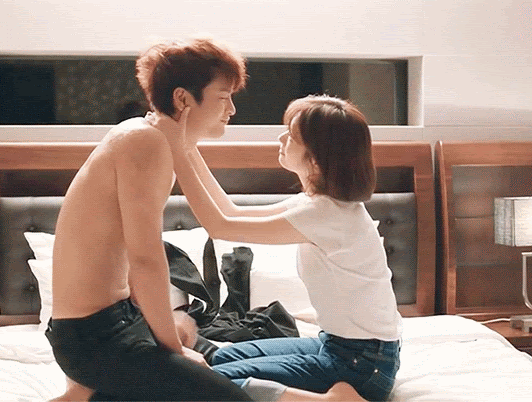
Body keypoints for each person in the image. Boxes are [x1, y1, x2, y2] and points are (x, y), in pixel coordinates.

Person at [47, 37, 364, 402]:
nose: (231, 109)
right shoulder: (144, 143)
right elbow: (145, 259)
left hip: (116, 323)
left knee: (204, 369)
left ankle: (88, 394)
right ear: (183, 99)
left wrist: (163, 338)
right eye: (223, 96)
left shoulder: (151, 139)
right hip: (95, 335)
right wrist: (173, 351)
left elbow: (142, 260)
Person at [155, 94, 401, 401]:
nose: (281, 139)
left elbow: (219, 226)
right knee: (214, 360)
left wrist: (176, 149)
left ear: (316, 159)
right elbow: (230, 212)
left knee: (205, 385)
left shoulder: (325, 214)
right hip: (343, 349)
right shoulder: (319, 205)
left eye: (292, 136)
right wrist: (186, 145)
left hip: (361, 366)